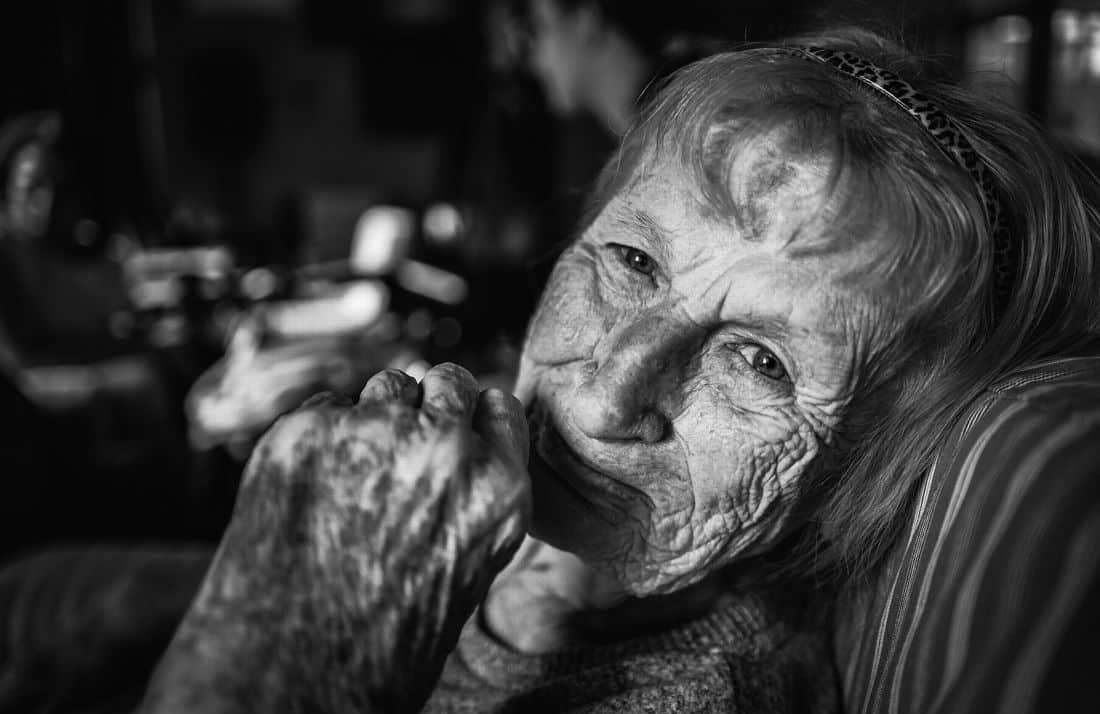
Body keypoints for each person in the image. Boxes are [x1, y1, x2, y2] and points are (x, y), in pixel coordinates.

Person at [20, 25, 1099, 713]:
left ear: (866, 478)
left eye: (761, 364)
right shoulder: (478, 537)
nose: (606, 391)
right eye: (631, 261)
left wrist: (300, 643)